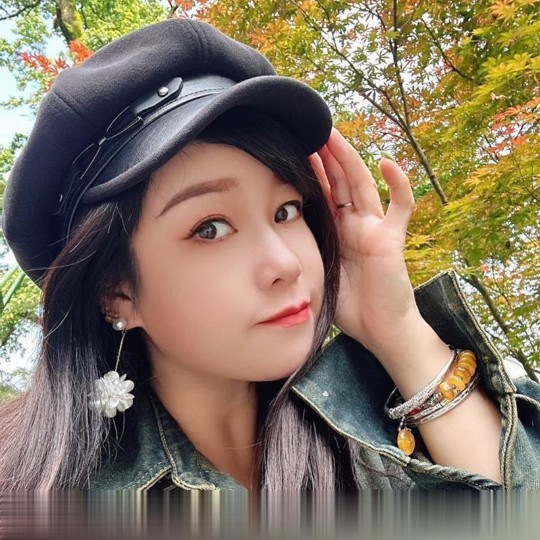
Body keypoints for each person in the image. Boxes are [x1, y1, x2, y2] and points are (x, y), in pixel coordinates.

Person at [1, 18, 539, 491]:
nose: (286, 264)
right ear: (116, 293)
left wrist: (397, 332)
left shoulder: (379, 440)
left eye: (286, 211)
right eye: (211, 228)